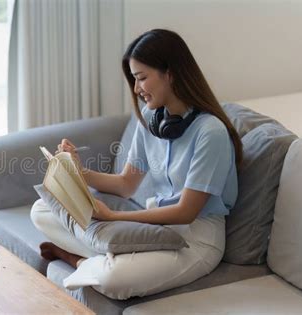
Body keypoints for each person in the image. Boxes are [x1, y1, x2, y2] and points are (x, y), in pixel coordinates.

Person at [30, 29, 243, 300]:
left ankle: (78, 260)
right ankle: (108, 255)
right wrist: (77, 171)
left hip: (195, 240)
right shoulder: (152, 118)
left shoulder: (210, 132)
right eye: (134, 79)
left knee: (114, 280)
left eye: (142, 78)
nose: (136, 89)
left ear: (171, 73)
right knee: (41, 210)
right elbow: (125, 185)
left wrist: (112, 217)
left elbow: (185, 212)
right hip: (155, 228)